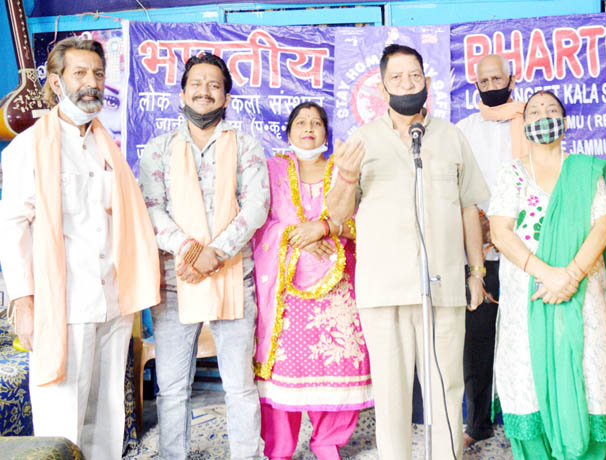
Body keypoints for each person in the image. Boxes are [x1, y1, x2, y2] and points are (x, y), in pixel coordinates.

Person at [325, 44, 489, 460]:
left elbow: (470, 206)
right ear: (382, 88)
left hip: (444, 285)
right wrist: (345, 176)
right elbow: (339, 215)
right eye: (396, 78)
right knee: (392, 393)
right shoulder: (362, 141)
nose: (407, 84)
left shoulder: (451, 137)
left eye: (414, 76)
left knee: (447, 387)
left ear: (427, 82)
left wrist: (476, 272)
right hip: (383, 289)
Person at [0, 37, 160, 459]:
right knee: (62, 413)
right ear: (56, 82)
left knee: (107, 412)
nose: (93, 83)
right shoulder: (26, 148)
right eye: (81, 74)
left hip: (111, 300)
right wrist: (24, 302)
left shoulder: (108, 148)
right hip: (62, 305)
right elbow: (12, 228)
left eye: (98, 74)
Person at [138, 52, 269, 460]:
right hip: (177, 281)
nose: (204, 91)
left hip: (234, 278)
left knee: (240, 385)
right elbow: (150, 207)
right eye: (197, 83)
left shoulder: (246, 145)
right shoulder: (158, 149)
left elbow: (256, 206)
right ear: (182, 92)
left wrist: (217, 252)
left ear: (226, 96)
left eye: (214, 85)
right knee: (173, 388)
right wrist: (192, 251)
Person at [488, 90, 606, 460]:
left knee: (589, 373)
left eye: (551, 110)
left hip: (580, 294)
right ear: (524, 124)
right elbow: (500, 232)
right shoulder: (511, 173)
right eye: (534, 111)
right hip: (527, 295)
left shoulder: (583, 171)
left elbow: (603, 225)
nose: (543, 115)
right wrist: (547, 274)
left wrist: (571, 276)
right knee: (527, 378)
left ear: (564, 123)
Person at [252, 101, 373, 460]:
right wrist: (294, 234)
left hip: (337, 292)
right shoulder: (271, 170)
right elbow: (259, 221)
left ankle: (327, 443)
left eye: (316, 123)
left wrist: (326, 231)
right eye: (301, 123)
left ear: (326, 132)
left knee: (336, 364)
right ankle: (280, 449)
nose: (308, 128)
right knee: (282, 373)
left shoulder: (344, 170)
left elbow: (362, 222)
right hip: (284, 294)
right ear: (288, 132)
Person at [455, 54, 526, 447]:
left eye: (497, 78)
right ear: (476, 84)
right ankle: (477, 423)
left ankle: (523, 422)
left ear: (511, 79)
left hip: (526, 250)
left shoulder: (530, 122)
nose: (491, 85)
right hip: (479, 254)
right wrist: (479, 224)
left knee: (524, 342)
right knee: (476, 344)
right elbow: (458, 184)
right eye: (484, 81)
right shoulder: (464, 130)